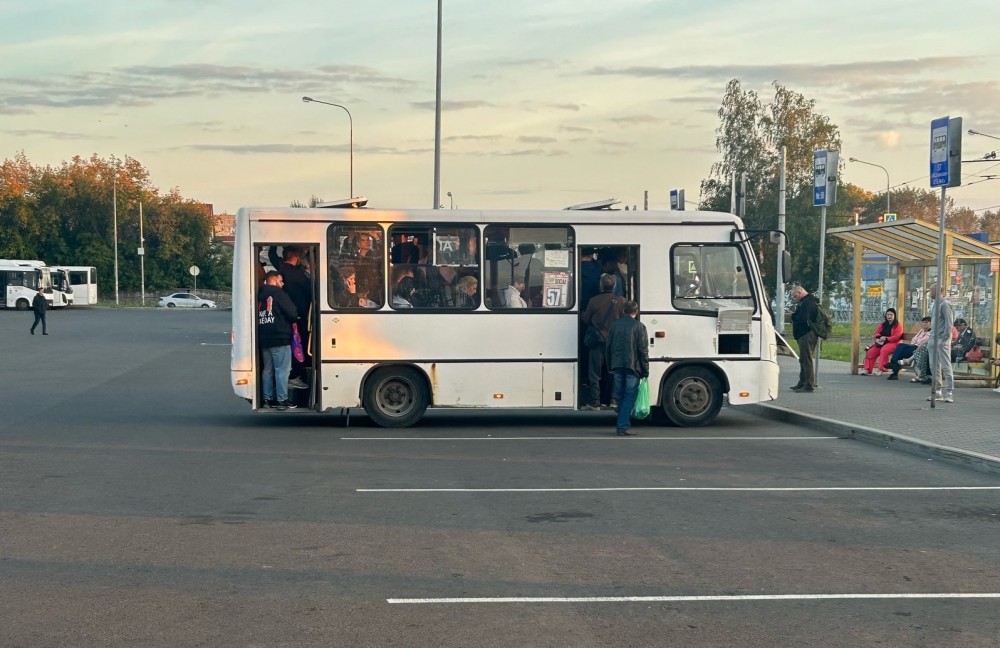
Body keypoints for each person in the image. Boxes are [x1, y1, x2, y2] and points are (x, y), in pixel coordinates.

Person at [268, 246, 312, 389]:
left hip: (285, 316)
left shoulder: (281, 268)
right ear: (296, 256)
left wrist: (273, 244)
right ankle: (295, 376)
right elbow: (312, 291)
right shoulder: (298, 275)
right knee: (300, 345)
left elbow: (271, 255)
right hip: (299, 314)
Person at [605, 300, 649, 436]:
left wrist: (609, 365)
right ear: (636, 312)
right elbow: (643, 350)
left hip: (617, 365)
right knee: (629, 396)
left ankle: (621, 419)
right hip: (632, 366)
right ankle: (622, 426)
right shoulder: (639, 326)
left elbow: (608, 347)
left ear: (623, 311)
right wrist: (645, 370)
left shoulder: (614, 325)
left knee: (620, 395)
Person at [580, 275, 625, 409]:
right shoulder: (621, 301)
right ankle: (614, 400)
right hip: (615, 343)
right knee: (614, 372)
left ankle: (595, 401)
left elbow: (586, 320)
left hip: (598, 341)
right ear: (614, 286)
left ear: (601, 286)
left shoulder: (594, 301)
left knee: (594, 374)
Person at [257, 271, 298, 410]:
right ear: (273, 281)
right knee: (282, 369)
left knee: (268, 370)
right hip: (280, 336)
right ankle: (282, 400)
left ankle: (267, 399)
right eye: (280, 281)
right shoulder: (279, 294)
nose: (283, 284)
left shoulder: (259, 295)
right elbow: (292, 313)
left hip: (264, 337)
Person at [926, 283, 955, 403]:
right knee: (934, 366)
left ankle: (949, 392)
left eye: (931, 290)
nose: (929, 293)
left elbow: (949, 323)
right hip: (933, 337)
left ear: (937, 291)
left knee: (945, 365)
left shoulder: (945, 304)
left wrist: (945, 338)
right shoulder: (934, 305)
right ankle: (937, 391)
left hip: (941, 338)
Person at [789, 283, 818, 392]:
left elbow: (803, 318)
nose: (794, 298)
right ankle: (802, 382)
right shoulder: (808, 301)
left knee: (806, 360)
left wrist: (793, 315)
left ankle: (809, 385)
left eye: (795, 296)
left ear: (799, 292)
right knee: (803, 359)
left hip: (806, 334)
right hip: (805, 334)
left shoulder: (807, 302)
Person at [887, 316, 931, 380]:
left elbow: (922, 342)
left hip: (920, 349)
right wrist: (917, 341)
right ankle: (893, 363)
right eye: (923, 322)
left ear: (931, 324)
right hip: (913, 346)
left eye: (926, 322)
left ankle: (894, 370)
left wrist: (917, 341)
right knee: (900, 346)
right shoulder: (921, 330)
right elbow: (914, 339)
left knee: (900, 353)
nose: (924, 324)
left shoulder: (931, 333)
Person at [862, 308, 903, 375]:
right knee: (870, 351)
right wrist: (879, 337)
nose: (889, 316)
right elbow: (877, 333)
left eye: (891, 315)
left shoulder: (898, 326)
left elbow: (897, 336)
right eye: (887, 314)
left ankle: (881, 369)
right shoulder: (883, 325)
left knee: (884, 350)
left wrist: (886, 338)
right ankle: (867, 369)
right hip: (881, 343)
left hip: (893, 343)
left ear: (894, 315)